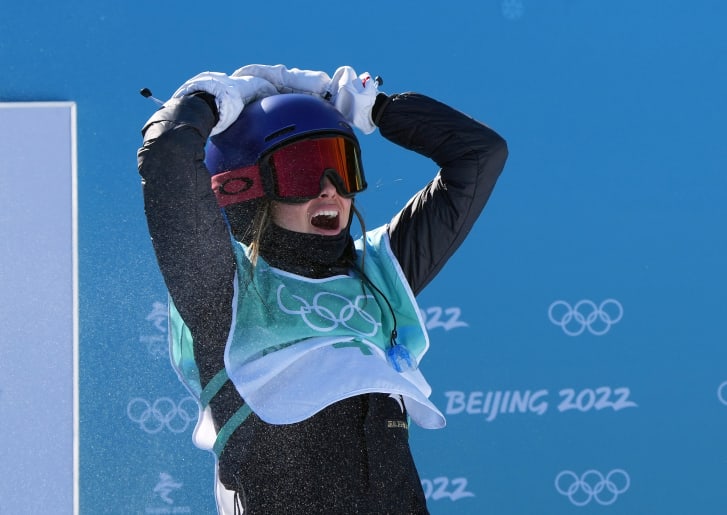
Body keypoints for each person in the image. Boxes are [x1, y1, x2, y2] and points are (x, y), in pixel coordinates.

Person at [137, 64, 507, 514]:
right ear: (246, 189)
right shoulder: (225, 291)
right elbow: (166, 156)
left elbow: (479, 155)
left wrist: (379, 109)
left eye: (341, 169)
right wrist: (207, 98)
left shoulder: (379, 274)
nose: (330, 191)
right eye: (302, 171)